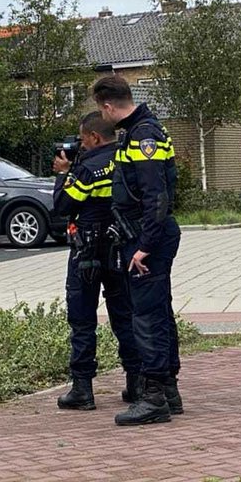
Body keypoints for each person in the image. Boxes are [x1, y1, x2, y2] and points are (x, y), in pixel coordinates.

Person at [91, 74, 183, 427]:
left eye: (103, 110)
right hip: (146, 235)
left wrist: (144, 246)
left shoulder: (143, 134)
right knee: (158, 312)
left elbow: (155, 195)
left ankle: (154, 397)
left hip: (146, 239)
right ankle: (168, 391)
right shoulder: (143, 130)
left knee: (146, 317)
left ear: (108, 105)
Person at [52, 112, 141, 411]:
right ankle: (136, 383)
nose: (80, 144)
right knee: (125, 316)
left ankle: (82, 389)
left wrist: (63, 174)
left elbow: (64, 206)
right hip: (120, 249)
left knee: (82, 319)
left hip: (87, 251)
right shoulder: (128, 159)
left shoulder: (87, 169)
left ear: (94, 137)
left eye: (82, 139)